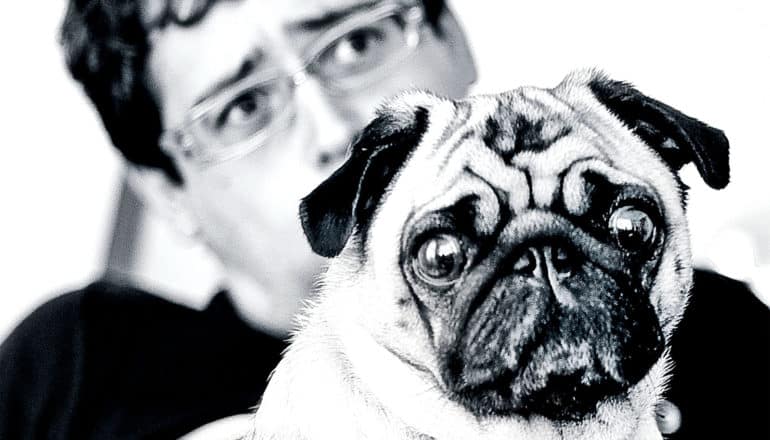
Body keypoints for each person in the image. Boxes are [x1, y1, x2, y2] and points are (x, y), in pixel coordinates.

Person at [0, 0, 767, 438]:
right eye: (241, 107)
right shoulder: (75, 370)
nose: (330, 123)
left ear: (451, 34)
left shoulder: (730, 338)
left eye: (356, 40)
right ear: (166, 190)